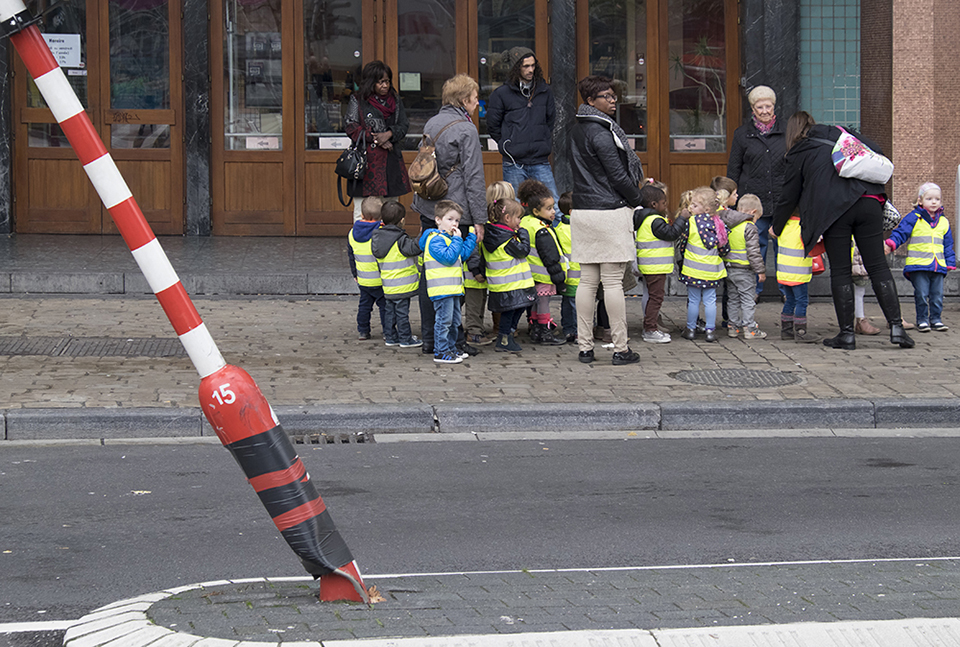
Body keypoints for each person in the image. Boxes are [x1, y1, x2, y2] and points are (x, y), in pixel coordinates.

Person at [771, 111, 914, 351]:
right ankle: (897, 328)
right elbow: (876, 148)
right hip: (869, 201)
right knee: (878, 266)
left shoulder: (800, 151)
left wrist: (776, 226)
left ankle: (847, 334)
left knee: (841, 271)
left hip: (835, 211)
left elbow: (789, 195)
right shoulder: (841, 133)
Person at [570, 75, 643, 366]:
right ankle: (620, 348)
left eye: (613, 96)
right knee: (611, 282)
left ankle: (585, 348)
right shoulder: (603, 133)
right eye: (606, 96)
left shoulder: (575, 130)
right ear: (590, 101)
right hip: (609, 210)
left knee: (587, 281)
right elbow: (618, 176)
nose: (613, 101)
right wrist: (638, 199)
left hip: (583, 210)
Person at [413, 74, 487, 355]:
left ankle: (431, 338)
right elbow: (474, 178)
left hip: (429, 206)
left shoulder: (432, 122)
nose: (477, 102)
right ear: (463, 100)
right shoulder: (466, 130)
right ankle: (453, 340)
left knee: (429, 273)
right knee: (454, 275)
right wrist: (478, 219)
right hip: (456, 211)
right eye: (474, 97)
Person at [727, 85, 786, 296]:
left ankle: (786, 290)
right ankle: (753, 290)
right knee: (755, 247)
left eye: (768, 106)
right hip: (753, 201)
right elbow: (734, 167)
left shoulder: (786, 131)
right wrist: (730, 197)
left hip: (781, 199)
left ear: (774, 107)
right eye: (759, 107)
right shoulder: (742, 135)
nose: (764, 111)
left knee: (783, 248)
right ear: (752, 109)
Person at [486, 47, 559, 202]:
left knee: (553, 206)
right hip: (513, 161)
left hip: (540, 159)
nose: (530, 70)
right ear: (516, 67)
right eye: (526, 66)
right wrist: (509, 142)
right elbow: (493, 126)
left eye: (533, 65)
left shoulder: (544, 91)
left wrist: (543, 139)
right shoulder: (501, 94)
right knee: (515, 208)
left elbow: (550, 120)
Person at [344, 61, 411, 221]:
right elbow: (350, 126)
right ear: (371, 82)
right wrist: (376, 138)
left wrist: (388, 134)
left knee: (391, 208)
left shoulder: (395, 100)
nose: (385, 85)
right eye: (380, 81)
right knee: (362, 209)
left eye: (387, 81)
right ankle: (361, 243)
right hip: (365, 163)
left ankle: (388, 242)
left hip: (390, 161)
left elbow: (404, 125)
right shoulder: (358, 100)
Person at [884, 182, 955, 333]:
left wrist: (950, 262)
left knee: (937, 296)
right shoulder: (914, 217)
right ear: (920, 201)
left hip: (938, 265)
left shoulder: (943, 222)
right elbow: (901, 232)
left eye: (937, 199)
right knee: (922, 294)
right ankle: (922, 320)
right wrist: (891, 243)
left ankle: (936, 319)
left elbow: (948, 244)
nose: (934, 202)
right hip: (918, 264)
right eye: (929, 199)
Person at [418, 200, 477, 364]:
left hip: (453, 289)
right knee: (443, 322)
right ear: (438, 220)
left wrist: (470, 238)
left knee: (453, 321)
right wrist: (458, 240)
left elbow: (461, 255)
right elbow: (449, 258)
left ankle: (451, 348)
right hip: (441, 290)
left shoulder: (450, 239)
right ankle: (441, 351)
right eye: (450, 219)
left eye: (457, 220)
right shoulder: (435, 239)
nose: (454, 224)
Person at [633, 184, 687, 344]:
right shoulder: (654, 220)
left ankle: (650, 327)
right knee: (656, 298)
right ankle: (650, 329)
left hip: (649, 265)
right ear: (654, 205)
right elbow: (671, 234)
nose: (666, 206)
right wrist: (682, 218)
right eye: (664, 203)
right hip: (655, 266)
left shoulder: (643, 218)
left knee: (652, 297)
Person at [483, 197, 536, 353]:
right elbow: (523, 250)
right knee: (510, 312)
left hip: (503, 284)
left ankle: (508, 335)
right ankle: (505, 338)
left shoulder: (494, 235)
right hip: (512, 283)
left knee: (517, 308)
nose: (520, 221)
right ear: (507, 218)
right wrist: (524, 234)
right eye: (518, 217)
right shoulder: (506, 239)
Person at [517, 179, 566, 345]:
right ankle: (544, 331)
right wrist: (559, 277)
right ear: (537, 211)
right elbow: (550, 256)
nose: (553, 212)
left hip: (530, 274)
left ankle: (535, 328)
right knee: (543, 303)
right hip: (544, 275)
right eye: (549, 209)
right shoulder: (541, 229)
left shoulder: (524, 222)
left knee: (535, 303)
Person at [678, 187, 729, 342]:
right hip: (711, 269)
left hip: (693, 269)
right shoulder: (719, 224)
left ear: (706, 208)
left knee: (693, 300)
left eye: (694, 205)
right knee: (710, 300)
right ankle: (710, 331)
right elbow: (725, 247)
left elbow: (683, 243)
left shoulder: (690, 223)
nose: (690, 208)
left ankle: (691, 329)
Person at [371, 201, 422, 348]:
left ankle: (390, 337)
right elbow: (414, 248)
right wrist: (421, 234)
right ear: (402, 221)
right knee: (402, 313)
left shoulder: (377, 239)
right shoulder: (400, 240)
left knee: (389, 313)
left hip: (387, 285)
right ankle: (406, 339)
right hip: (402, 286)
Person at [722, 193, 767, 340]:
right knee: (748, 299)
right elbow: (754, 252)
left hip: (729, 268)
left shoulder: (730, 224)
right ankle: (750, 328)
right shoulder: (749, 227)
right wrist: (760, 271)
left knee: (733, 299)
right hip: (744, 270)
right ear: (753, 212)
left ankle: (732, 327)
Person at [774, 211, 819, 342]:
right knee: (802, 301)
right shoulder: (803, 227)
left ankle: (786, 330)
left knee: (790, 300)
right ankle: (801, 331)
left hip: (784, 271)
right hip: (799, 272)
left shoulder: (783, 225)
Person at [346, 197, 385, 340]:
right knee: (384, 307)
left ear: (361, 215)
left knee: (364, 306)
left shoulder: (352, 233)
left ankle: (363, 330)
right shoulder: (380, 232)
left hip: (363, 278)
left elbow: (351, 256)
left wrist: (355, 273)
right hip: (380, 280)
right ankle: (388, 332)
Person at [554, 191, 579, 343]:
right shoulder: (579, 229)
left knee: (566, 304)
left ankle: (568, 329)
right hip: (580, 277)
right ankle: (579, 332)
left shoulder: (558, 229)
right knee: (579, 307)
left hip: (565, 277)